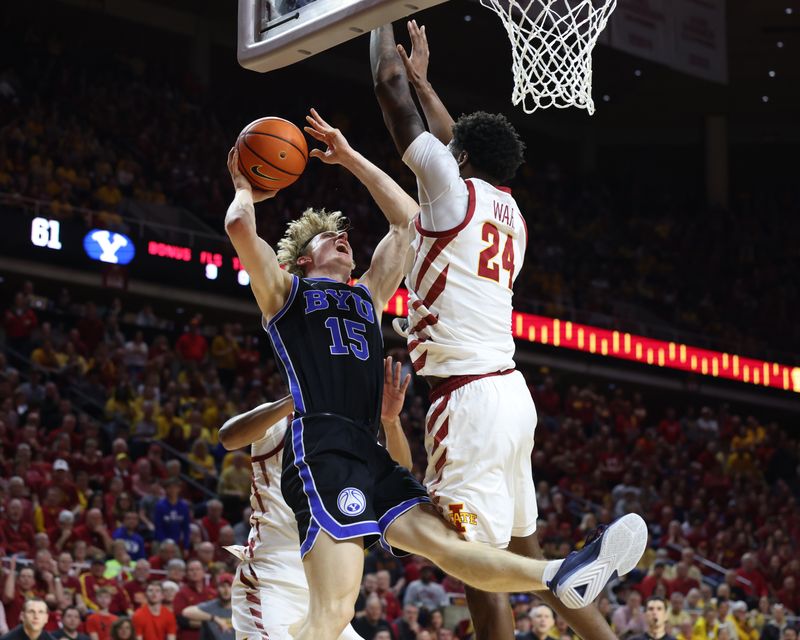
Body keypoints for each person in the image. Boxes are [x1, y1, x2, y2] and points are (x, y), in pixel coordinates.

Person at [224, 108, 646, 640]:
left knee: (448, 544)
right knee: (332, 616)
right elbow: (241, 228)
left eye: (343, 234)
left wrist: (350, 156)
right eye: (328, 239)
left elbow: (407, 224)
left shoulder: (368, 295)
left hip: (367, 448)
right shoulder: (286, 295)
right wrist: (248, 187)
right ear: (302, 261)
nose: (342, 238)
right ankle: (553, 574)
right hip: (323, 446)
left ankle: (560, 574)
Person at [369, 19, 644, 640]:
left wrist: (371, 15)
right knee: (527, 553)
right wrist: (427, 83)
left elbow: (387, 88)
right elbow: (449, 139)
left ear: (457, 160)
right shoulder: (510, 210)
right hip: (511, 395)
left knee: (477, 567)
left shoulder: (448, 193)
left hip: (467, 402)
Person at [219, 356, 415, 640]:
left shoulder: (349, 434)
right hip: (274, 582)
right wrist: (298, 396)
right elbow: (229, 437)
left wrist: (391, 422)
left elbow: (402, 472)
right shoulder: (280, 422)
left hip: (327, 594)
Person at [179, 574, 233, 640]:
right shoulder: (211, 605)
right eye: (222, 586)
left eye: (229, 586)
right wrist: (214, 618)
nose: (226, 590)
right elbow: (186, 612)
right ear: (217, 588)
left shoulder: (242, 607)